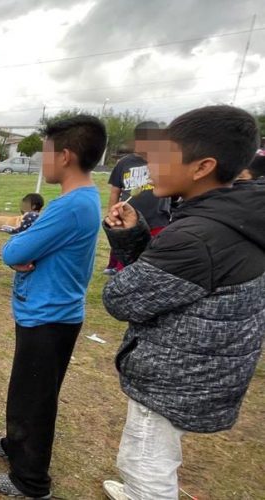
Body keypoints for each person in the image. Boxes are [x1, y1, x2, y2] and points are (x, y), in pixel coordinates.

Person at [100, 106, 264, 500]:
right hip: (205, 368)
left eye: (163, 157)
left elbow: (122, 299)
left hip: (175, 375)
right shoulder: (235, 213)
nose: (151, 166)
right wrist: (136, 236)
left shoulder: (199, 236)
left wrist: (134, 246)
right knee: (154, 452)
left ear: (202, 166)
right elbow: (173, 281)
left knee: (145, 460)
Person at [0, 115, 106, 498]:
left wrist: (17, 249)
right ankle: (15, 446)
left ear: (65, 155)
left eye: (47, 153)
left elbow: (15, 249)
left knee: (35, 399)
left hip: (50, 316)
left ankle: (31, 483)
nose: (42, 161)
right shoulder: (80, 199)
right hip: (46, 312)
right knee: (26, 391)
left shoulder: (69, 206)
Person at [103, 121, 171, 276]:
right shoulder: (125, 163)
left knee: (151, 260)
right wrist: (111, 214)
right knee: (126, 262)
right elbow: (115, 191)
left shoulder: (165, 161)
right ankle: (119, 271)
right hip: (128, 221)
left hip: (157, 220)